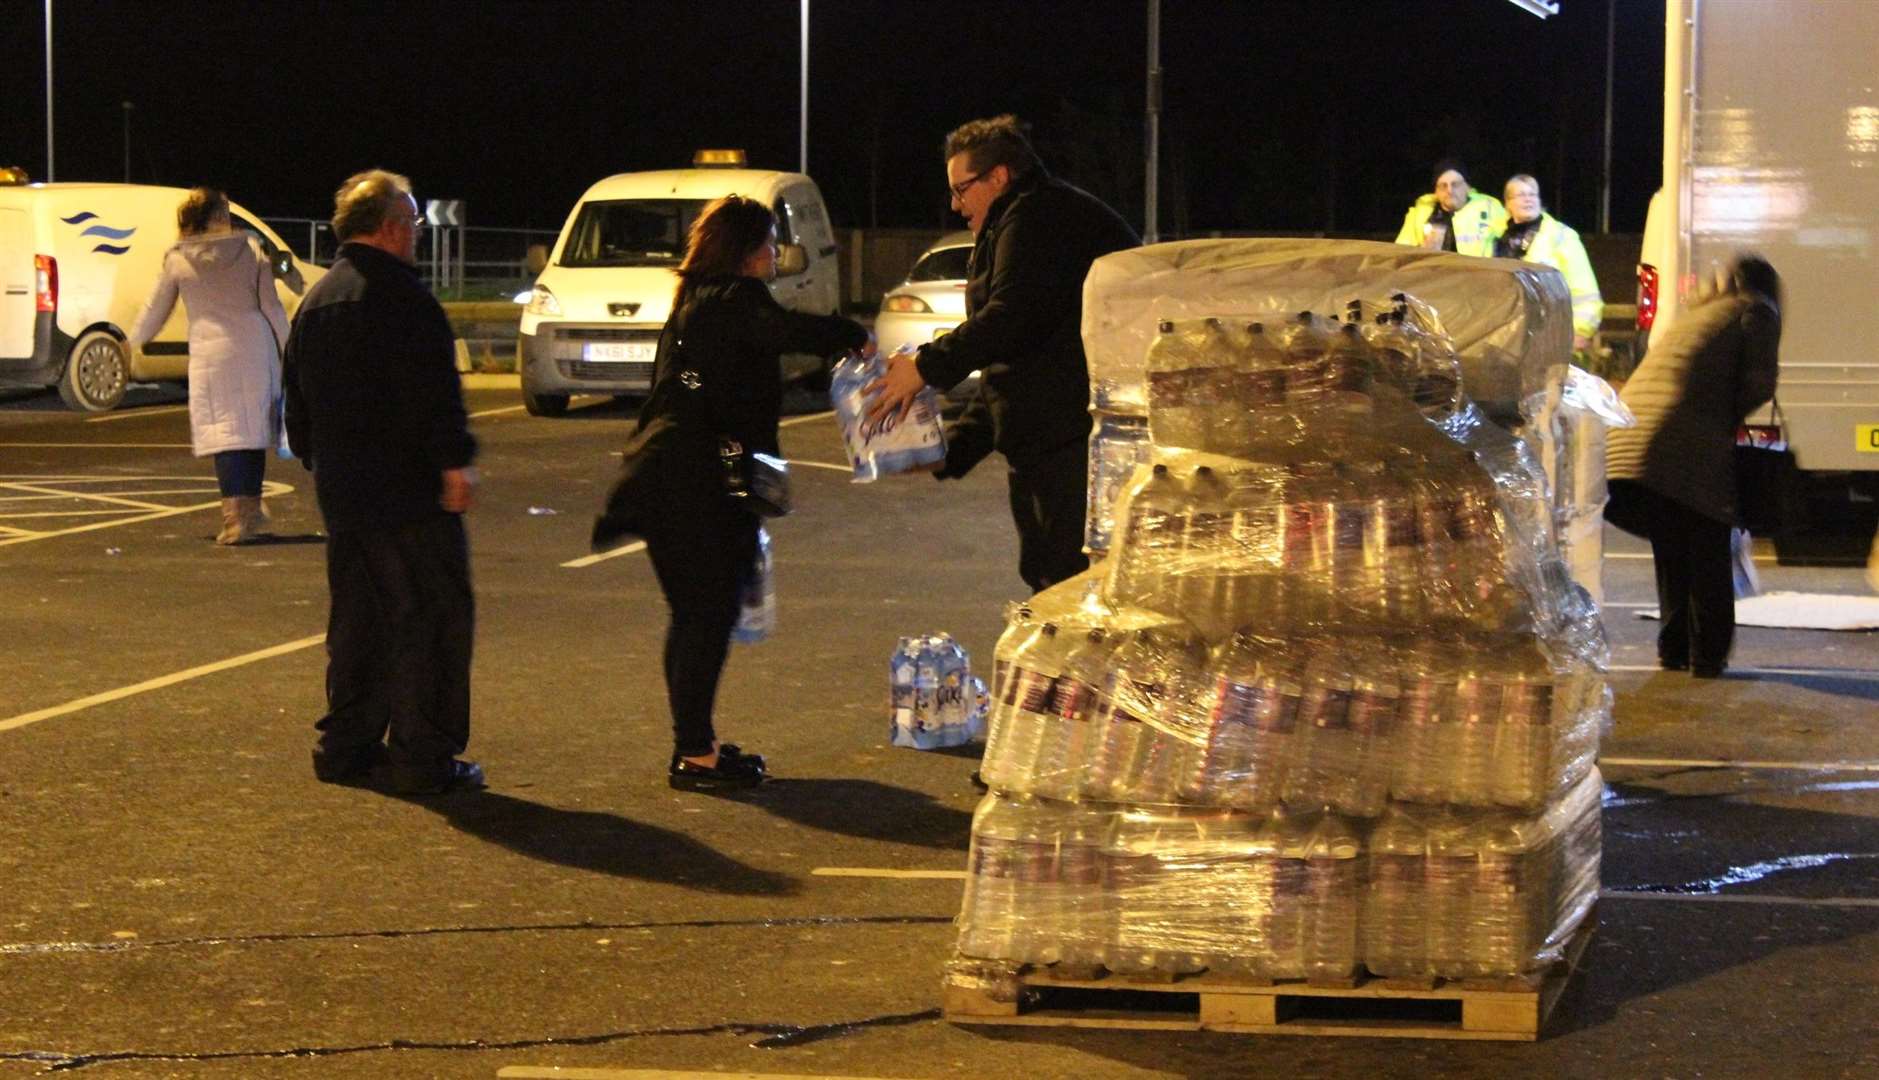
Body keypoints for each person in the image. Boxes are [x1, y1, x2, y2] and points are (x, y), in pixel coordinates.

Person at [601, 195, 870, 791]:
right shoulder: (733, 299)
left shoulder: (696, 302)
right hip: (693, 484)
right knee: (705, 617)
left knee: (696, 615)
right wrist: (850, 332)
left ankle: (697, 744)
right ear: (749, 252)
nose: (774, 255)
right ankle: (693, 755)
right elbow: (782, 330)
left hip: (669, 478)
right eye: (770, 244)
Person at [868, 114, 1140, 592]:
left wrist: (925, 368)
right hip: (1052, 445)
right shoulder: (1017, 219)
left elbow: (1011, 318)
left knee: (1068, 594)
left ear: (999, 176)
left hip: (1080, 449)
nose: (955, 205)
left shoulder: (1037, 217)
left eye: (962, 189)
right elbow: (1015, 369)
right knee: (1049, 584)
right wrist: (948, 453)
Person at [283, 170, 484, 795]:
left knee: (359, 623)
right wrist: (454, 464)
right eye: (415, 223)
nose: (418, 235)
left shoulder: (318, 301)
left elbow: (297, 406)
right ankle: (424, 754)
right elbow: (432, 395)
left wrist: (328, 466)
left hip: (346, 493)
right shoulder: (403, 298)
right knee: (428, 619)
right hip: (408, 492)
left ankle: (347, 746)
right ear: (393, 227)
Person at [1606, 255, 1782, 678]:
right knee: (1708, 548)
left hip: (1626, 442)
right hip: (1680, 444)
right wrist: (1728, 415)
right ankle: (1707, 656)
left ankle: (1674, 649)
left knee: (1673, 548)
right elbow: (1758, 383)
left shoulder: (1700, 312)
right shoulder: (1756, 310)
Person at [128, 187, 289, 545]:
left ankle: (234, 518)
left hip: (210, 353)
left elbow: (157, 308)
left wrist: (132, 341)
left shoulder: (178, 259)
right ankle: (250, 510)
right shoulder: (251, 252)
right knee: (252, 433)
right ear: (218, 217)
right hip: (253, 347)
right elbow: (272, 307)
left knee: (225, 435)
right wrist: (291, 350)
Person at [1495, 174, 1604, 353]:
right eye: (1521, 195)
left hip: (1553, 337)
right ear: (1508, 204)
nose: (1528, 199)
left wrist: (1581, 331)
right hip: (1506, 338)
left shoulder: (1561, 236)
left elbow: (1584, 289)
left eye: (1533, 194)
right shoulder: (1496, 239)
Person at [1394, 158, 1508, 257]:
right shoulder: (1421, 213)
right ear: (1436, 192)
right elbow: (1400, 253)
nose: (1449, 190)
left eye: (1455, 184)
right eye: (1443, 186)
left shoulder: (1489, 207)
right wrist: (1422, 251)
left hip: (1479, 276)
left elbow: (1512, 240)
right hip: (1434, 276)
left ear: (1468, 188)